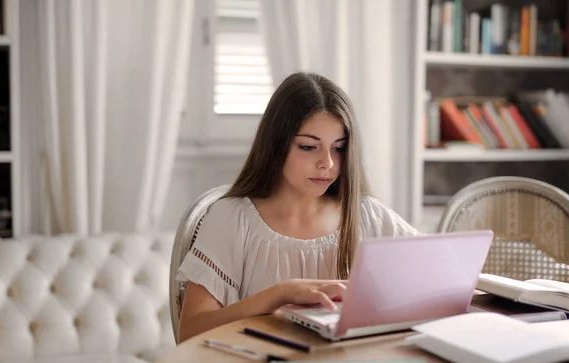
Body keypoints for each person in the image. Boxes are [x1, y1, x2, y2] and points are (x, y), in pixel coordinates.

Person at [175, 72, 418, 342]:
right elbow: (190, 332)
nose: (327, 162)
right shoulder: (231, 219)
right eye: (308, 146)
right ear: (276, 145)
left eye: (338, 148)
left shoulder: (366, 215)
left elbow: (440, 270)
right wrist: (280, 294)